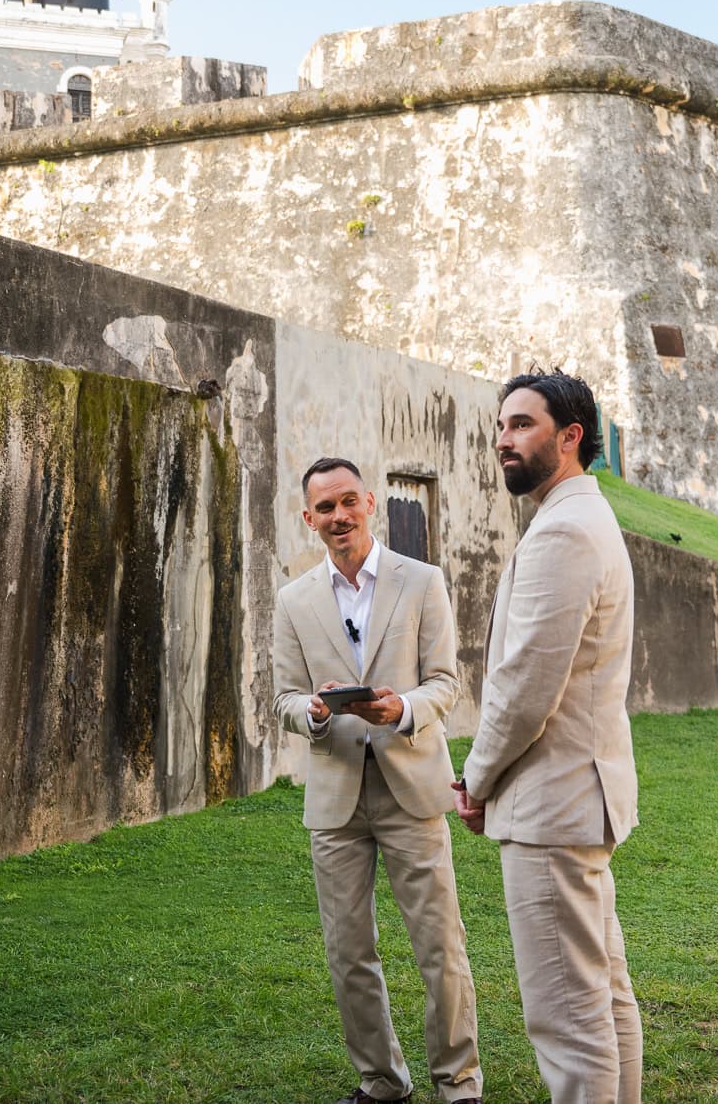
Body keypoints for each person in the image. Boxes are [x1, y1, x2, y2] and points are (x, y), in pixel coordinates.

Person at [271, 457, 482, 1104]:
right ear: (308, 519)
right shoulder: (293, 600)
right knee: (347, 949)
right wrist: (309, 711)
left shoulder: (421, 582)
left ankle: (459, 1082)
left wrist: (401, 708)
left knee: (439, 944)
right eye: (323, 508)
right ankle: (381, 1081)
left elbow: (446, 682)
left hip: (412, 785)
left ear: (370, 501)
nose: (338, 516)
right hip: (335, 796)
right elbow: (281, 695)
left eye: (347, 502)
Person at [456, 371, 641, 1104]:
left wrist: (475, 777)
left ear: (571, 437)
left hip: (553, 804)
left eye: (522, 424)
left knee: (569, 1018)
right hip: (577, 799)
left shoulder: (564, 529)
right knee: (602, 998)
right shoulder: (580, 517)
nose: (504, 438)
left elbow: (525, 689)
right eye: (501, 425)